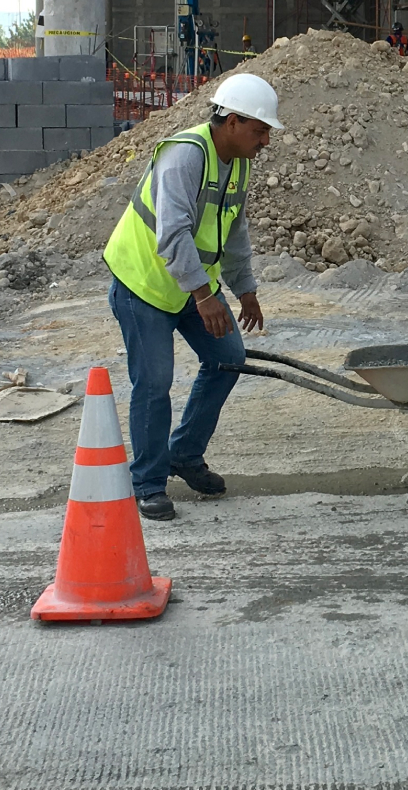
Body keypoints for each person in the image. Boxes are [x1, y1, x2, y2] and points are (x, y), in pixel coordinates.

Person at [102, 72, 283, 519]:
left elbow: (234, 232)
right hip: (142, 285)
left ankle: (184, 453)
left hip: (191, 287)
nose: (265, 141)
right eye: (261, 130)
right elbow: (173, 234)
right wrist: (205, 297)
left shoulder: (238, 163)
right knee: (154, 382)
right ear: (234, 122)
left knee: (228, 358)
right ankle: (147, 482)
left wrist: (246, 290)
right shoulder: (186, 156)